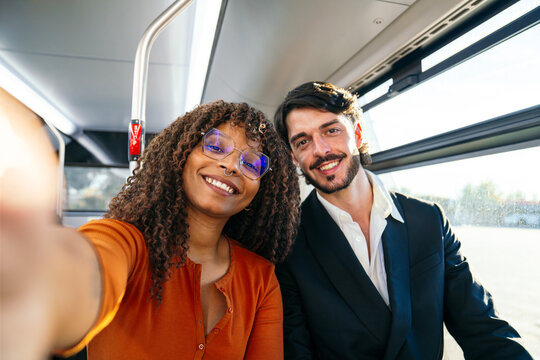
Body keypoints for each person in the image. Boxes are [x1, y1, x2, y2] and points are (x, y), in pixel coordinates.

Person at [0, 100, 300, 359]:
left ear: (262, 189)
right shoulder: (126, 242)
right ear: (181, 156)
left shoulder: (260, 277)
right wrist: (33, 286)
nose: (232, 166)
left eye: (252, 163)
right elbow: (85, 272)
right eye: (216, 146)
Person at [273, 81, 533, 359]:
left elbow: (483, 329)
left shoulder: (428, 221)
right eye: (303, 141)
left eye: (331, 130)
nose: (321, 150)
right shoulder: (289, 244)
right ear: (293, 158)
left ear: (358, 134)